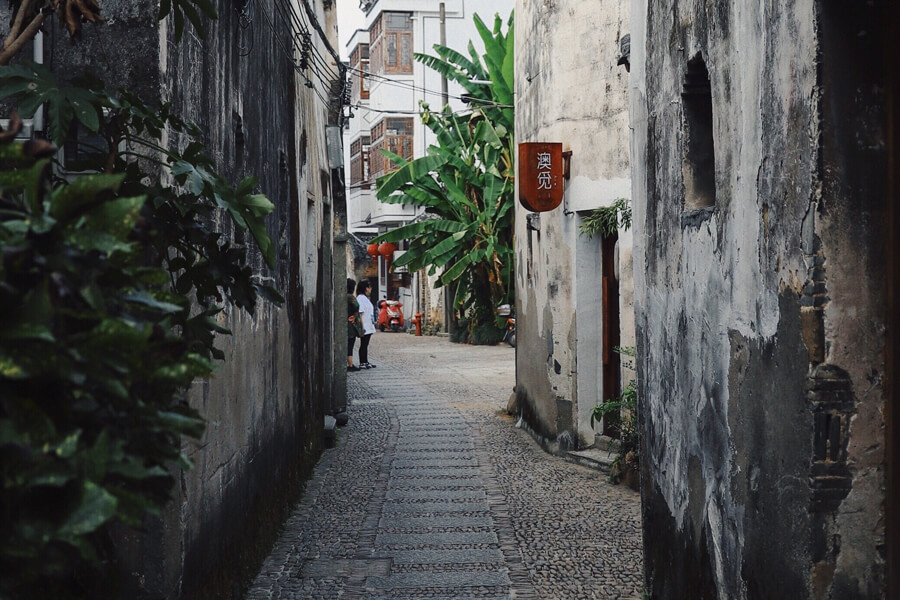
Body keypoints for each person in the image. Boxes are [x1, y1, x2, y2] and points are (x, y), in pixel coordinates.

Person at [355, 279, 377, 369]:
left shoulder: (365, 298)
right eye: (369, 287)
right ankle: (362, 362)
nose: (370, 289)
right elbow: (360, 313)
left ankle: (365, 361)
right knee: (363, 344)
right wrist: (361, 326)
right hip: (365, 326)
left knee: (366, 344)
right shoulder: (360, 298)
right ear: (365, 288)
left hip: (369, 324)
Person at [347, 278, 363, 372]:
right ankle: (350, 364)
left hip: (347, 321)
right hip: (350, 324)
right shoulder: (350, 297)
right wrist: (354, 314)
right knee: (350, 344)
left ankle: (350, 363)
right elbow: (357, 306)